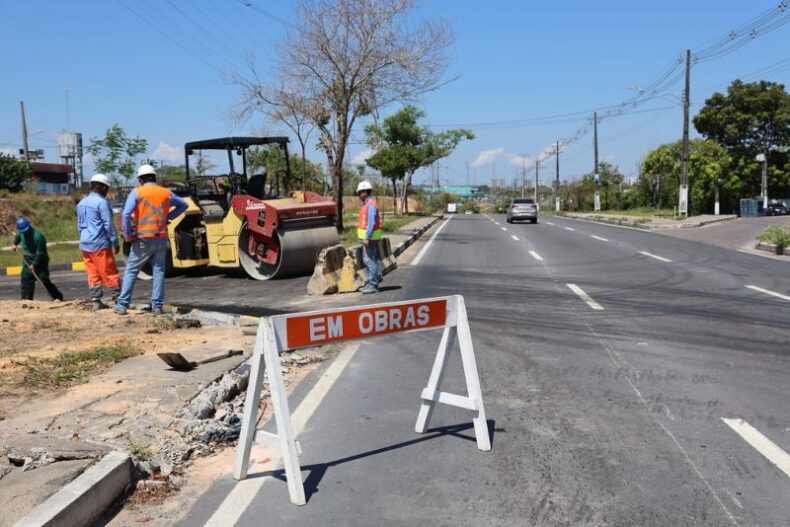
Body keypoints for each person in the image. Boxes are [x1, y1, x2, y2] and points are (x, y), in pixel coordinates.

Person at [115, 164, 188, 315]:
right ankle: (157, 307)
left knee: (131, 271)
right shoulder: (166, 192)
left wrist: (128, 234)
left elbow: (126, 214)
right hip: (161, 239)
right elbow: (184, 205)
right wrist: (169, 217)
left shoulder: (137, 192)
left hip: (143, 239)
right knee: (159, 272)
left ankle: (122, 305)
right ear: (154, 177)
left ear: (140, 179)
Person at [77, 173, 121, 310]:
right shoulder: (102, 202)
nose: (107, 191)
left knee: (93, 273)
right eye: (107, 188)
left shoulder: (81, 203)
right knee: (109, 271)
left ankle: (96, 300)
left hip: (85, 243)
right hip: (100, 243)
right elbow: (108, 224)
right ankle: (118, 299)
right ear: (102, 187)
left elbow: (79, 225)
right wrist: (115, 241)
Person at [11, 218, 64, 301]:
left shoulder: (38, 237)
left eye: (25, 230)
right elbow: (18, 236)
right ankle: (26, 299)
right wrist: (15, 244)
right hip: (27, 259)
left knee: (43, 280)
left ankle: (57, 297)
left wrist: (34, 264)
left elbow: (40, 253)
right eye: (22, 231)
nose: (24, 232)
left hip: (40, 261)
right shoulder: (21, 233)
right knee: (26, 279)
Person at [356, 180, 381, 294]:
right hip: (367, 238)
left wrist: (367, 237)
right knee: (369, 260)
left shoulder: (370, 205)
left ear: (365, 192)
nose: (359, 195)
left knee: (370, 261)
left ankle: (373, 285)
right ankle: (372, 283)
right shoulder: (367, 204)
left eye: (360, 192)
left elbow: (371, 223)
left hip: (369, 239)